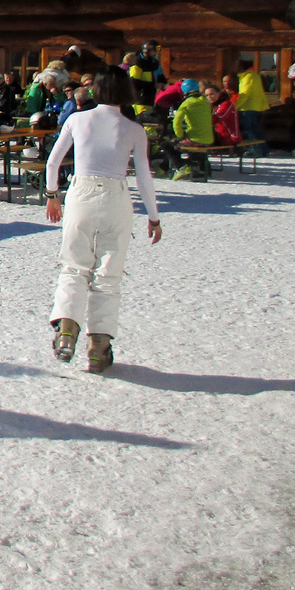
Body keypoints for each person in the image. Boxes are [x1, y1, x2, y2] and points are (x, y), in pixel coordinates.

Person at [44, 65, 161, 373]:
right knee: (108, 276)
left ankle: (67, 328)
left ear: (95, 89)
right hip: (116, 197)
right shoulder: (134, 129)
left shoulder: (77, 119)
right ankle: (99, 346)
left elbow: (53, 161)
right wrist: (154, 217)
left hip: (81, 193)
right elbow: (145, 177)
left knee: (74, 266)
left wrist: (51, 194)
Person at [170, 78, 214, 181]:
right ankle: (201, 167)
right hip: (208, 139)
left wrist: (180, 135)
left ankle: (182, 166)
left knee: (168, 145)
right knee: (196, 147)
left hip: (195, 139)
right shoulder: (205, 101)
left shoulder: (187, 103)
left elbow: (176, 123)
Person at [233, 59, 270, 157]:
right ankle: (263, 150)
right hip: (254, 106)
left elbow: (245, 95)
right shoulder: (250, 76)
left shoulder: (248, 77)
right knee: (255, 130)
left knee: (250, 129)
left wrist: (234, 106)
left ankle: (256, 150)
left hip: (249, 107)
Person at [130, 41, 165, 105]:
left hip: (151, 97)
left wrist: (162, 82)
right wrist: (152, 85)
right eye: (155, 50)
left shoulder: (154, 63)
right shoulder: (138, 63)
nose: (156, 53)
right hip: (140, 99)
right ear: (147, 51)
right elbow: (134, 83)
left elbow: (160, 75)